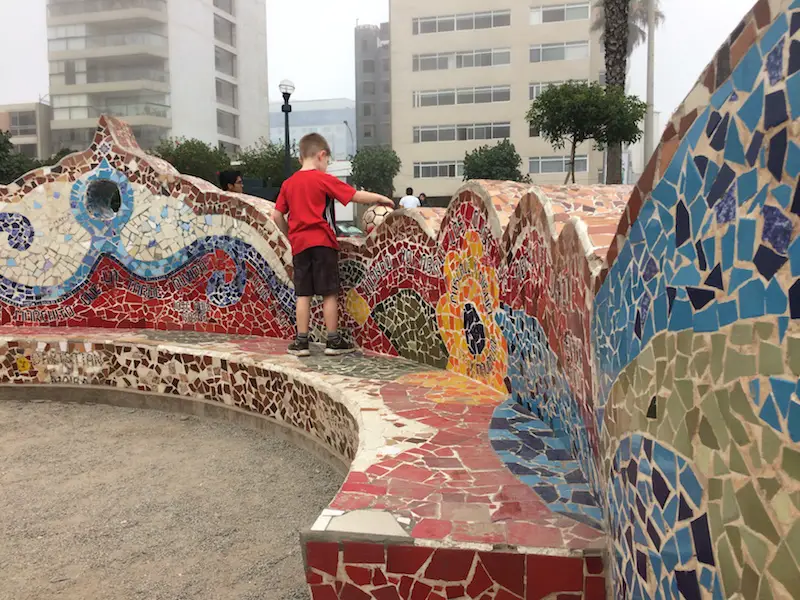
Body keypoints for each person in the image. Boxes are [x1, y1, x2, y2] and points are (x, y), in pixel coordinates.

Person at [272, 133, 394, 357]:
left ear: (301, 158)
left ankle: (301, 343)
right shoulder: (322, 179)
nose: (326, 167)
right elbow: (355, 195)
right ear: (321, 155)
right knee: (329, 293)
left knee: (303, 294)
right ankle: (332, 340)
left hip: (300, 246)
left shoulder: (289, 184)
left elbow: (276, 215)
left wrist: (290, 236)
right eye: (327, 162)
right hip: (323, 243)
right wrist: (380, 198)